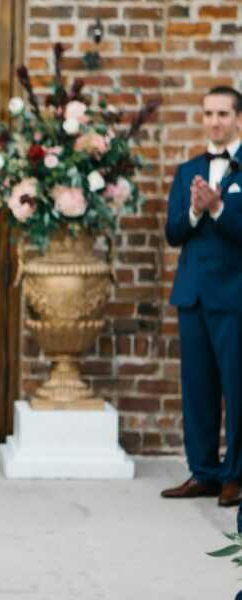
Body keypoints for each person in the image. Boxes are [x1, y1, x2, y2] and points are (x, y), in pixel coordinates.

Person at [162, 85, 242, 508]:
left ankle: (236, 476)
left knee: (237, 389)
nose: (214, 121)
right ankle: (204, 472)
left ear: (238, 118)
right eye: (208, 113)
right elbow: (174, 232)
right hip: (192, 295)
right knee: (196, 389)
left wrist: (217, 209)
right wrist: (195, 210)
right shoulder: (187, 169)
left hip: (234, 297)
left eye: (223, 114)